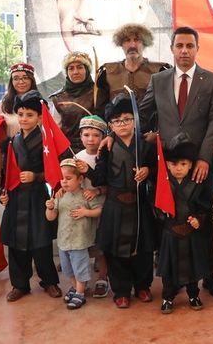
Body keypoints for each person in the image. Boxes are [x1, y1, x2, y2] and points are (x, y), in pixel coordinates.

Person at [138, 26, 213, 298]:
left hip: (201, 165)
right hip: (168, 168)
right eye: (180, 46)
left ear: (197, 49)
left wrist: (204, 158)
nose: (184, 51)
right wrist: (124, 133)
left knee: (201, 219)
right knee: (170, 221)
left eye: (190, 46)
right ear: (172, 49)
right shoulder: (158, 80)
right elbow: (142, 114)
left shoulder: (211, 80)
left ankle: (209, 276)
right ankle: (175, 278)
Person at [91, 95, 156, 308]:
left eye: (127, 119)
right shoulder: (106, 148)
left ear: (135, 121)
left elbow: (158, 171)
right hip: (115, 206)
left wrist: (148, 171)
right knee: (115, 250)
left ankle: (143, 286)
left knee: (143, 248)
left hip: (139, 204)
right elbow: (99, 179)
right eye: (117, 121)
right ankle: (121, 290)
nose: (123, 124)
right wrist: (88, 170)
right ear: (111, 126)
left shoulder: (145, 146)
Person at [0, 90, 62, 302]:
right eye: (21, 114)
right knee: (16, 244)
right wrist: (2, 193)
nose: (24, 119)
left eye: (30, 115)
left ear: (40, 117)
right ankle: (20, 284)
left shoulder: (45, 141)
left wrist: (36, 176)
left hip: (36, 196)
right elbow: (7, 171)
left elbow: (55, 170)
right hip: (16, 197)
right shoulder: (12, 141)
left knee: (41, 242)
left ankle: (49, 281)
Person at [155, 137, 213, 314]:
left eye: (183, 164)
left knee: (192, 268)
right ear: (167, 165)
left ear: (190, 165)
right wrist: (161, 212)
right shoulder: (164, 185)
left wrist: (198, 219)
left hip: (191, 234)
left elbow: (204, 207)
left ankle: (193, 295)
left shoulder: (197, 185)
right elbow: (155, 206)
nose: (178, 168)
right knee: (169, 269)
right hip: (171, 233)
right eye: (174, 164)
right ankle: (167, 297)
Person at [46, 160, 103, 309]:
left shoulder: (86, 195)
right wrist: (50, 208)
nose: (64, 182)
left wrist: (86, 212)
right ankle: (76, 287)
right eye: (62, 179)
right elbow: (51, 217)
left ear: (80, 179)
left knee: (80, 268)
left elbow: (99, 210)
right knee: (68, 269)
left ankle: (80, 293)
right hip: (63, 241)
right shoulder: (59, 196)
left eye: (68, 178)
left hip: (79, 241)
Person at [71, 114, 110, 298]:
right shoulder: (77, 157)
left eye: (96, 135)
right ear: (80, 136)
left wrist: (97, 191)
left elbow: (112, 183)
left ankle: (102, 277)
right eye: (86, 135)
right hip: (82, 208)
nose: (91, 139)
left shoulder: (106, 156)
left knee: (100, 247)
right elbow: (71, 180)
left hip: (101, 206)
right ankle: (82, 281)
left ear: (103, 137)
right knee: (83, 246)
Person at [96, 23, 171, 104]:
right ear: (121, 44)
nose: (132, 45)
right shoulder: (107, 73)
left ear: (144, 43)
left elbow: (166, 105)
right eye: (127, 40)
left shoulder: (160, 71)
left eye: (137, 40)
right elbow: (100, 108)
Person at [50, 51, 106, 152]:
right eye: (71, 68)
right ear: (67, 72)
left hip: (97, 150)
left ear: (87, 70)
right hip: (70, 151)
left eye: (80, 67)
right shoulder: (58, 98)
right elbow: (55, 130)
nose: (75, 72)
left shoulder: (100, 92)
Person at [0, 63, 42, 139]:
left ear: (31, 80)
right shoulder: (1, 105)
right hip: (9, 145)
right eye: (16, 78)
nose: (21, 82)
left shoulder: (41, 103)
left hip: (36, 145)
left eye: (25, 78)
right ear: (11, 81)